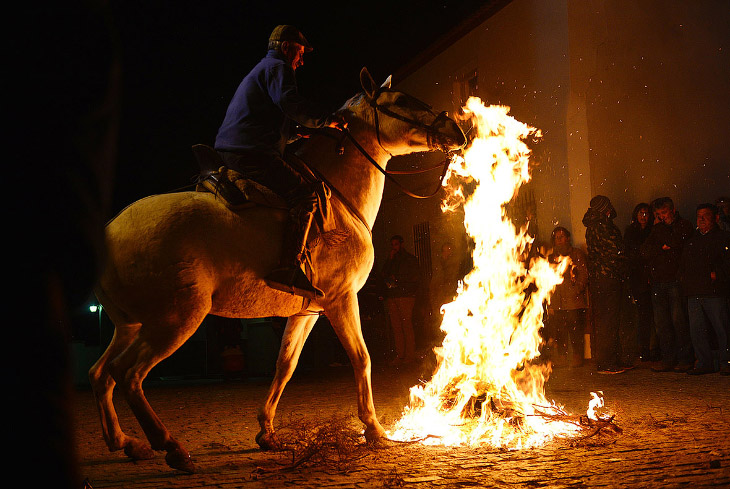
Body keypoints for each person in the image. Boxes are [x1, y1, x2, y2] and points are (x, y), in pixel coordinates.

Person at [215, 25, 344, 300]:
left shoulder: (263, 70)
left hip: (238, 148)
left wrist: (296, 133)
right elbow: (291, 104)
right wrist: (327, 119)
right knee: (306, 195)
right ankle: (288, 268)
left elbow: (270, 120)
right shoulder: (278, 68)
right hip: (251, 153)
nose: (302, 60)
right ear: (286, 47)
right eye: (300, 52)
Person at [640, 197, 695, 372]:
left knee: (679, 321)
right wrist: (661, 246)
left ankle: (685, 358)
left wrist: (664, 241)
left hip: (675, 281)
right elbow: (645, 251)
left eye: (664, 213)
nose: (662, 217)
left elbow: (676, 243)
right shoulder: (657, 229)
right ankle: (668, 359)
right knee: (662, 324)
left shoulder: (684, 225)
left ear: (672, 210)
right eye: (658, 214)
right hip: (658, 282)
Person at [679, 204, 730, 375]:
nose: (701, 219)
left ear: (715, 218)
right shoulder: (692, 240)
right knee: (697, 330)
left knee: (721, 328)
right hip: (694, 291)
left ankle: (726, 362)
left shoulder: (723, 238)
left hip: (714, 291)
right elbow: (684, 264)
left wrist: (717, 275)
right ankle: (704, 362)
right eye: (698, 216)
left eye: (705, 216)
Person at [582, 195, 630, 374]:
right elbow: (616, 251)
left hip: (599, 278)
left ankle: (610, 360)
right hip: (609, 278)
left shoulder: (593, 225)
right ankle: (607, 363)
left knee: (606, 320)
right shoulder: (603, 226)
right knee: (609, 321)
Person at [545, 227, 589, 367]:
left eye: (562, 236)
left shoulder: (576, 254)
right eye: (556, 237)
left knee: (575, 330)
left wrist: (575, 290)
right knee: (559, 332)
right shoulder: (551, 257)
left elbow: (583, 275)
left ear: (568, 238)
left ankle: (577, 357)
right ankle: (562, 358)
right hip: (558, 301)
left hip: (574, 302)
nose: (559, 240)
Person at [624, 203, 658, 363]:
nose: (644, 216)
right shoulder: (631, 232)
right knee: (643, 315)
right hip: (638, 278)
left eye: (646, 213)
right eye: (641, 213)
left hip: (653, 277)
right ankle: (644, 348)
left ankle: (656, 348)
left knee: (656, 315)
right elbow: (631, 255)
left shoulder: (653, 230)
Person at [381, 235, 421, 366]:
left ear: (402, 244)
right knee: (397, 327)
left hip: (405, 296)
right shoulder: (391, 260)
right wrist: (390, 259)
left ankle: (410, 355)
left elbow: (414, 277)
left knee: (406, 326)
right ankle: (400, 355)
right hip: (393, 296)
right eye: (392, 245)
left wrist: (398, 279)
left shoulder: (409, 259)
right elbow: (383, 274)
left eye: (396, 244)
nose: (394, 247)